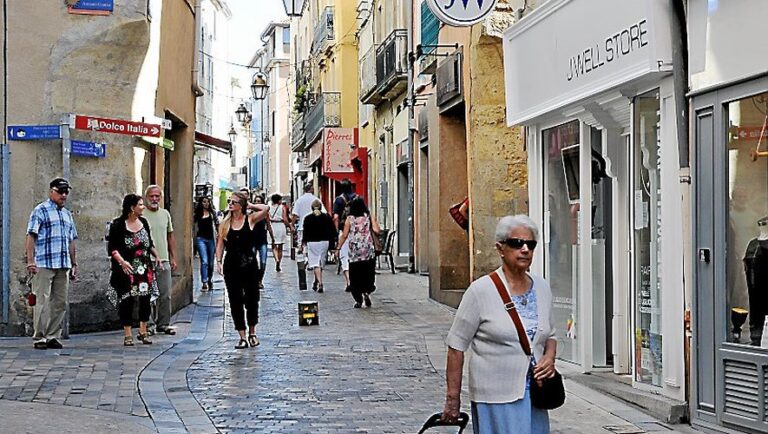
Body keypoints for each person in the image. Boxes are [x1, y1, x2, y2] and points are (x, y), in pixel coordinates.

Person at [441, 215, 557, 434]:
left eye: (530, 244)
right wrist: (452, 399)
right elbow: (456, 347)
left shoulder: (542, 288)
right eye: (516, 243)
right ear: (500, 248)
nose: (524, 249)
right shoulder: (480, 291)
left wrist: (549, 358)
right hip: (495, 395)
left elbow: (550, 334)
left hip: (536, 395)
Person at [25, 178, 78, 350]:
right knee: (42, 300)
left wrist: (74, 263)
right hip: (44, 262)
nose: (63, 195)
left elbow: (71, 240)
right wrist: (30, 261)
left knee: (60, 302)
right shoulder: (40, 210)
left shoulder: (67, 214)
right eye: (60, 191)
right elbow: (31, 236)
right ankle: (39, 336)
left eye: (66, 192)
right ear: (51, 191)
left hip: (63, 263)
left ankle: (52, 335)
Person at [215, 192, 269, 349]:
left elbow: (266, 209)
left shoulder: (250, 220)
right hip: (231, 265)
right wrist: (218, 261)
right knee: (235, 300)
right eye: (229, 201)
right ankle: (242, 336)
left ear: (241, 205)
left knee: (252, 299)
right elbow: (220, 244)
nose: (230, 204)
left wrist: (250, 205)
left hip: (250, 264)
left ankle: (252, 333)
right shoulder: (224, 223)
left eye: (234, 202)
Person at [108, 194, 162, 346]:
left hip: (144, 268)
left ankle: (143, 331)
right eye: (140, 205)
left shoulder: (143, 222)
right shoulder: (118, 225)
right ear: (132, 207)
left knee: (145, 299)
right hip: (127, 268)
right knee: (127, 300)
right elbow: (113, 248)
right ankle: (127, 333)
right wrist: (122, 262)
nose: (143, 207)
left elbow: (149, 243)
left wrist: (157, 256)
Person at [143, 185, 177, 336]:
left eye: (157, 196)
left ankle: (163, 324)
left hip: (163, 260)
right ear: (146, 197)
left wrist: (173, 257)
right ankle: (149, 325)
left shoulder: (165, 214)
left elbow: (170, 236)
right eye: (152, 196)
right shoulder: (141, 215)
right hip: (146, 260)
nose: (155, 199)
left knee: (165, 294)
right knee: (147, 295)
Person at [335, 197, 379, 308]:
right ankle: (367, 291)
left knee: (355, 275)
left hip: (355, 252)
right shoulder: (368, 217)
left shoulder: (349, 219)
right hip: (368, 250)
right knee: (368, 273)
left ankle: (358, 299)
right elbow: (377, 230)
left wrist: (338, 248)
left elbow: (344, 235)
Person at [301, 199, 336, 293]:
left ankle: (320, 282)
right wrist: (332, 245)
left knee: (315, 263)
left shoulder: (307, 218)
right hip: (324, 242)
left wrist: (303, 242)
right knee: (321, 262)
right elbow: (332, 231)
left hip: (312, 242)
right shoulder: (326, 217)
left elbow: (305, 232)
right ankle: (316, 281)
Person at [332, 179, 357, 291]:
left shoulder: (339, 200)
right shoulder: (357, 198)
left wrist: (336, 231)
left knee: (345, 257)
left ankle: (349, 281)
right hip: (357, 232)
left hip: (344, 231)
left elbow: (336, 217)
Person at [194, 196, 219, 292]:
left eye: (208, 202)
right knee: (204, 261)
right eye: (204, 202)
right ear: (201, 203)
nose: (206, 203)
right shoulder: (197, 215)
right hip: (201, 239)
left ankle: (209, 279)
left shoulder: (212, 214)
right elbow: (193, 227)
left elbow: (217, 225)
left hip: (211, 239)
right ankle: (204, 282)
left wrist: (219, 236)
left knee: (211, 263)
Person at [291, 182, 323, 249]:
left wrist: (292, 225)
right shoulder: (316, 200)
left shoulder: (299, 200)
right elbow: (323, 212)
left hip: (302, 227)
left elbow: (294, 214)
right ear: (311, 189)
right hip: (315, 227)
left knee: (302, 245)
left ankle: (303, 257)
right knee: (313, 246)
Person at [251, 195, 274, 289]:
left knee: (263, 262)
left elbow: (268, 226)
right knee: (252, 262)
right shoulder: (250, 214)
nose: (257, 203)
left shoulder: (265, 215)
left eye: (259, 201)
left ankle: (260, 280)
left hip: (262, 241)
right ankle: (255, 280)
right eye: (256, 201)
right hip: (252, 241)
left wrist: (273, 238)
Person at [269, 193, 290, 272]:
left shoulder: (269, 208)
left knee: (273, 245)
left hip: (273, 226)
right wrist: (289, 226)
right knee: (280, 246)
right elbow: (285, 218)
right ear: (278, 200)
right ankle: (279, 262)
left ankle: (276, 259)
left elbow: (269, 218)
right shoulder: (282, 207)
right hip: (281, 226)